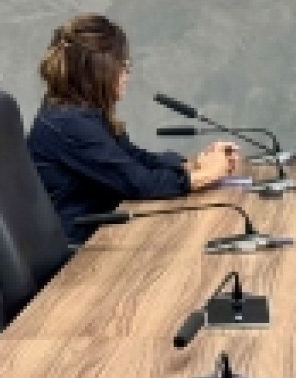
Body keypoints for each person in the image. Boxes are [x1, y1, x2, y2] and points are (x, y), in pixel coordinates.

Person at [27, 14, 240, 244]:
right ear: (100, 71)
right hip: (79, 253)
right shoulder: (69, 123)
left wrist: (193, 163)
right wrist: (205, 175)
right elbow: (138, 184)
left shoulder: (79, 112)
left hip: (99, 234)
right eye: (123, 65)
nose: (127, 73)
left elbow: (132, 159)